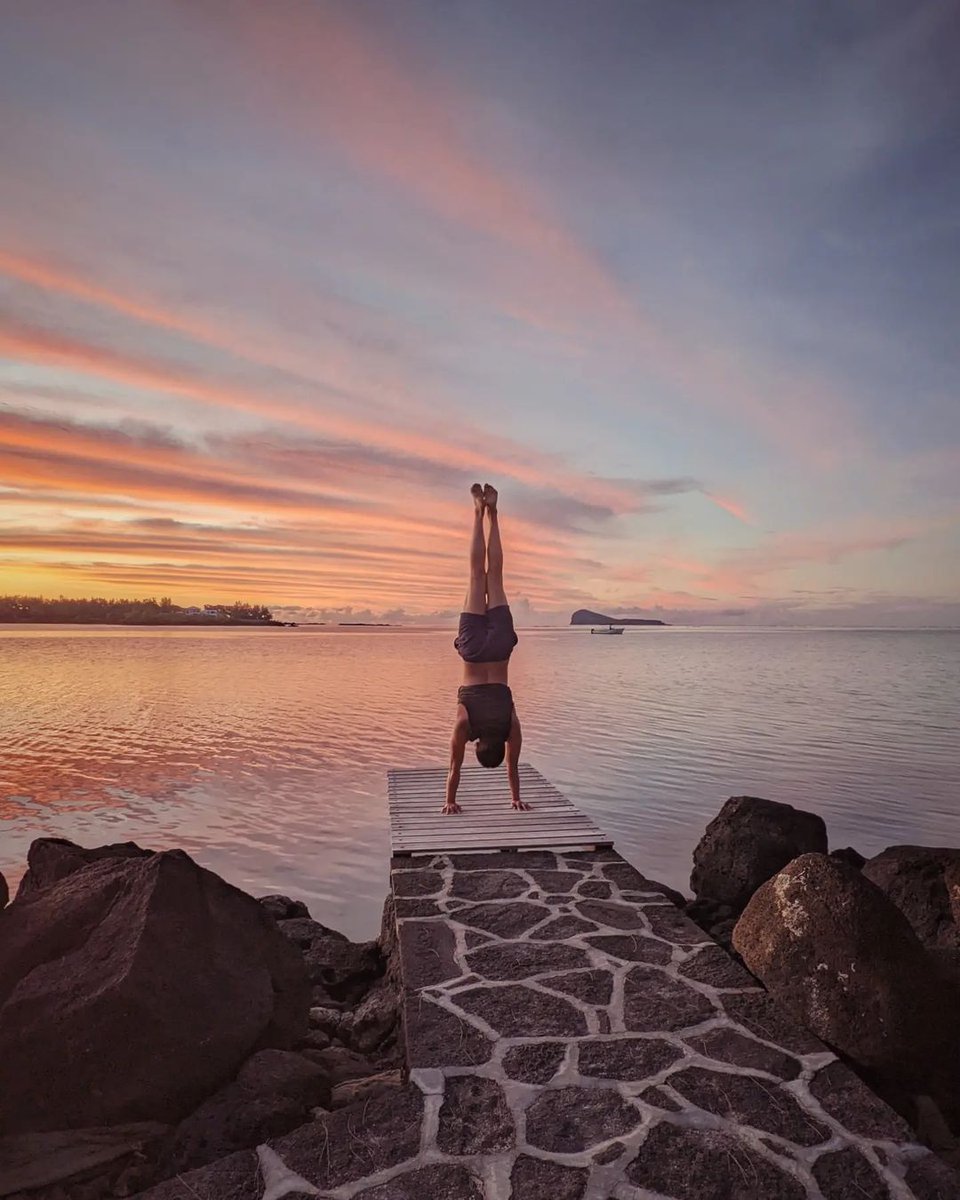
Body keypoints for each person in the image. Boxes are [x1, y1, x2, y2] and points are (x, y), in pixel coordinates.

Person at [443, 483, 530, 815]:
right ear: (477, 745)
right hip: (472, 651)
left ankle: (492, 511)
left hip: (501, 648)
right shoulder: (466, 727)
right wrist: (450, 800)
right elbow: (455, 767)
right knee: (475, 578)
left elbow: (513, 767)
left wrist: (515, 797)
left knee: (495, 577)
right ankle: (477, 512)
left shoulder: (510, 727)